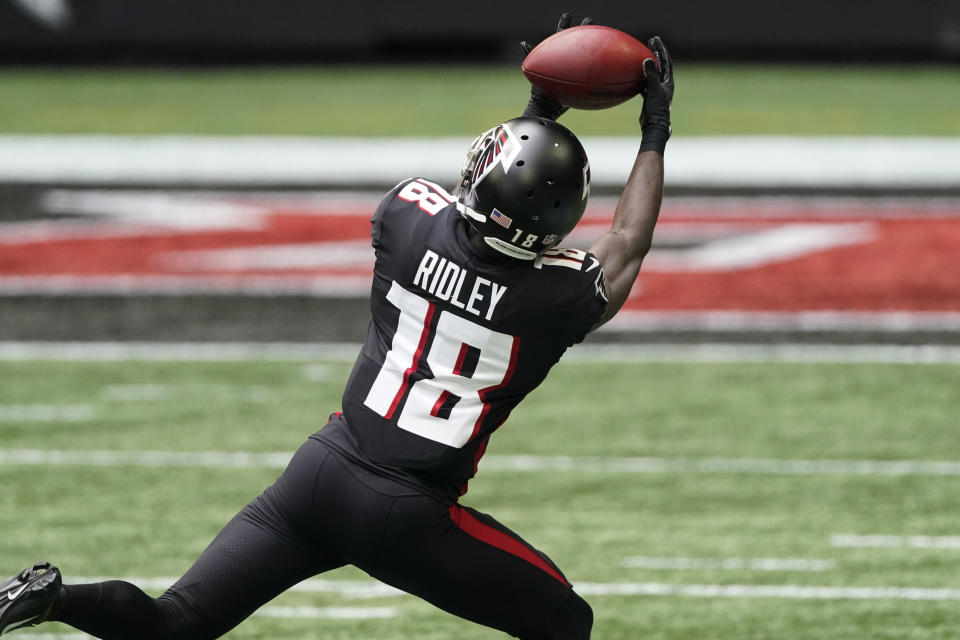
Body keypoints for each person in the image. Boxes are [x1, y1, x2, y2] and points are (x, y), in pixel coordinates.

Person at [0, 15, 674, 640]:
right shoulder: (555, 299)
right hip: (407, 514)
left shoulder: (405, 221)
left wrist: (539, 106)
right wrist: (654, 131)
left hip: (318, 475)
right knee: (565, 620)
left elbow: (478, 187)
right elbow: (627, 240)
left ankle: (54, 599)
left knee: (175, 622)